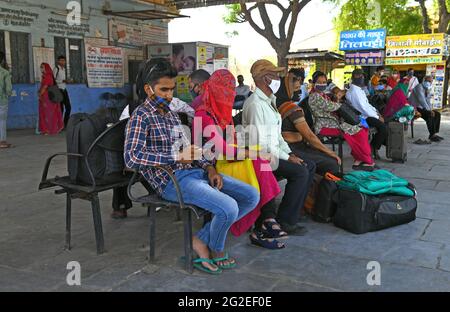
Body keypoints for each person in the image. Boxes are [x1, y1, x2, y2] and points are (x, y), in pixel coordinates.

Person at [124, 58, 259, 274]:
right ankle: (215, 248)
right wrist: (176, 156)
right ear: (148, 88)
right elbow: (132, 157)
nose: (169, 95)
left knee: (251, 196)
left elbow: (191, 150)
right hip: (170, 181)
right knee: (229, 207)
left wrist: (210, 168)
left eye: (172, 89)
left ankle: (201, 239)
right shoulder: (141, 117)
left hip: (195, 173)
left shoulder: (171, 115)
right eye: (163, 90)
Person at [193, 69, 285, 249]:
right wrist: (252, 153)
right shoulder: (203, 114)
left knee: (261, 163)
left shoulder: (222, 113)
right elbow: (222, 149)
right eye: (224, 90)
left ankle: (264, 222)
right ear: (212, 88)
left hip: (226, 159)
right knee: (258, 162)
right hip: (210, 165)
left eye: (230, 90)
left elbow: (232, 142)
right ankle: (262, 225)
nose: (228, 95)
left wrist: (249, 151)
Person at [242, 59, 315, 234]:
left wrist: (289, 153)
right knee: (300, 171)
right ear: (266, 79)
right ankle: (286, 220)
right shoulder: (255, 104)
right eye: (275, 75)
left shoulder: (269, 101)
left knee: (308, 165)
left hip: (272, 153)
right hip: (259, 157)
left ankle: (293, 211)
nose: (278, 79)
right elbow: (260, 144)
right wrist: (288, 158)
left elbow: (277, 137)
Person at [275, 69, 340, 175]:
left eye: (299, 88)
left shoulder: (278, 104)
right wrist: (330, 152)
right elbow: (309, 136)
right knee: (332, 163)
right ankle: (320, 190)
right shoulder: (292, 108)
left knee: (322, 158)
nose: (299, 92)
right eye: (296, 89)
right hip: (292, 148)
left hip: (291, 147)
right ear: (287, 89)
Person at [308, 71, 376, 171]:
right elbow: (330, 106)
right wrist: (341, 105)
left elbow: (331, 104)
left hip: (332, 122)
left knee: (361, 129)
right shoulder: (314, 96)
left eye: (324, 82)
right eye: (319, 82)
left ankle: (360, 159)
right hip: (324, 125)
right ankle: (366, 160)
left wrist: (338, 101)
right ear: (314, 83)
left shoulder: (322, 94)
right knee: (359, 131)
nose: (322, 84)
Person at [346, 69, 387, 160]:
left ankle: (375, 147)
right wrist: (377, 117)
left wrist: (377, 113)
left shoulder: (359, 89)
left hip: (367, 114)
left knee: (386, 124)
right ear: (353, 77)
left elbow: (367, 105)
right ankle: (372, 148)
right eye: (358, 76)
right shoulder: (354, 91)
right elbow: (363, 108)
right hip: (362, 118)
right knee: (383, 127)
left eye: (362, 76)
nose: (361, 78)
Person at [409, 76, 443, 142]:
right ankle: (432, 135)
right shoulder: (419, 87)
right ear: (424, 81)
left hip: (422, 107)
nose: (429, 83)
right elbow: (421, 100)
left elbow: (428, 101)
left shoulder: (427, 89)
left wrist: (431, 109)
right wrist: (429, 111)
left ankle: (434, 134)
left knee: (437, 114)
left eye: (431, 81)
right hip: (414, 107)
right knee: (429, 114)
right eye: (428, 81)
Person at [38, 63, 64, 135]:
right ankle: (45, 129)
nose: (41, 69)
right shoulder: (44, 76)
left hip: (48, 98)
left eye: (42, 67)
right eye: (40, 67)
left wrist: (40, 94)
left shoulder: (48, 76)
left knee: (49, 114)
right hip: (45, 98)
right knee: (45, 114)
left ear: (46, 68)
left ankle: (49, 129)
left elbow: (45, 87)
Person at [53, 56, 71, 128]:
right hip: (58, 90)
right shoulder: (56, 69)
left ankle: (65, 123)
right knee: (60, 108)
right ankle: (59, 124)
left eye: (64, 60)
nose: (63, 62)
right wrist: (62, 81)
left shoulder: (64, 69)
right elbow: (53, 80)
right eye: (61, 60)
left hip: (64, 89)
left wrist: (67, 81)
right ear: (58, 61)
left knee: (68, 107)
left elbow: (64, 80)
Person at [0, 52, 12, 149]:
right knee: (2, 121)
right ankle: (2, 142)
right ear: (2, 60)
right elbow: (8, 89)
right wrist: (8, 94)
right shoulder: (5, 72)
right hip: (2, 100)